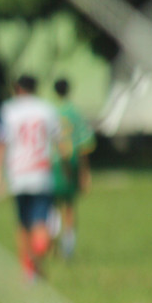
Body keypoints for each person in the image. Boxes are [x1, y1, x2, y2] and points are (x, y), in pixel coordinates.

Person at [0, 75, 62, 281]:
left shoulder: (8, 110)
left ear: (17, 88)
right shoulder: (47, 110)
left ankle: (28, 268)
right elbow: (60, 141)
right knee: (40, 222)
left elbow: (0, 143)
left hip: (18, 173)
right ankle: (38, 256)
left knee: (22, 224)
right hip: (41, 172)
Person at [50, 78, 95, 260]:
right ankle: (68, 249)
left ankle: (51, 242)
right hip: (72, 162)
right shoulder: (76, 113)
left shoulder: (51, 111)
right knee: (69, 207)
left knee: (51, 207)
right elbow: (84, 145)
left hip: (53, 163)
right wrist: (85, 173)